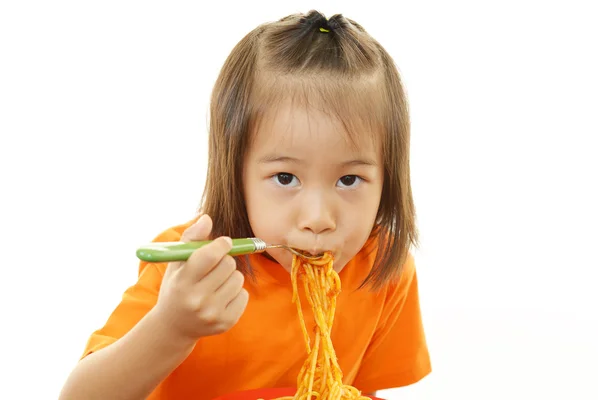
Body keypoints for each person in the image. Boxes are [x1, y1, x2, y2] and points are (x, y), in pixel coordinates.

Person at [59, 10, 431, 400]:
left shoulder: (382, 266)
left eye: (349, 180)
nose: (318, 219)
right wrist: (173, 326)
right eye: (286, 178)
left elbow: (358, 390)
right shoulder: (190, 269)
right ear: (235, 174)